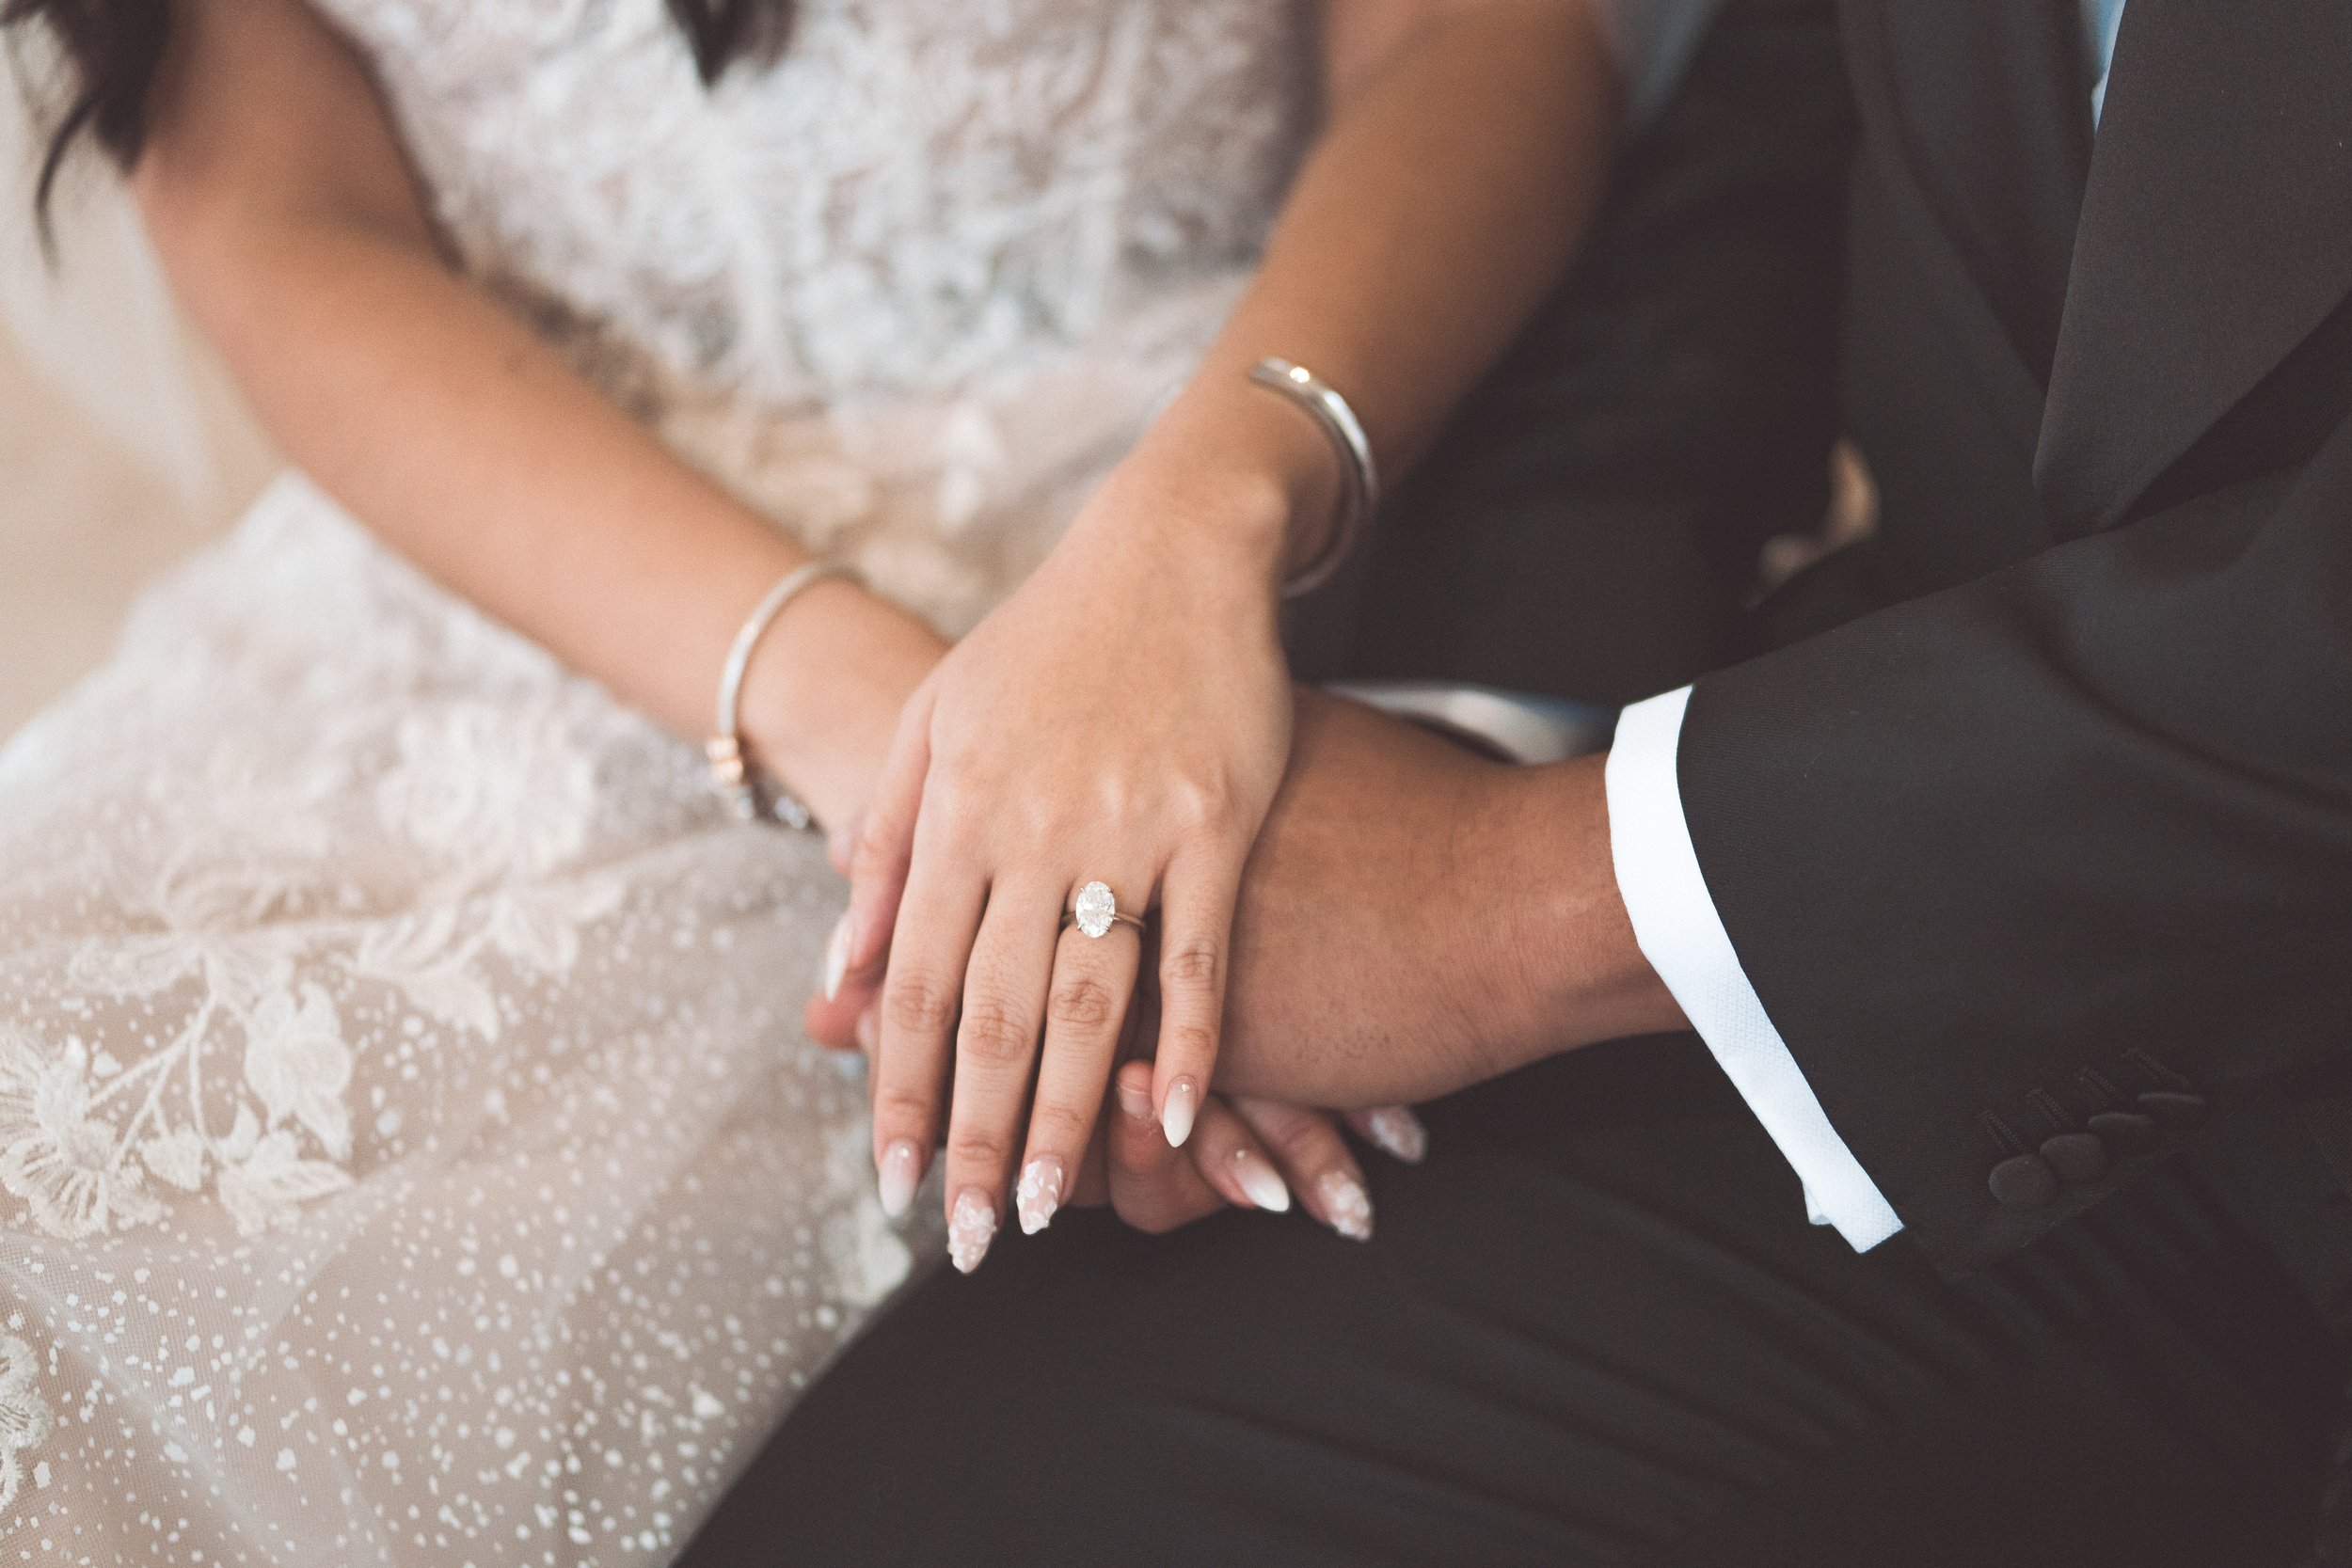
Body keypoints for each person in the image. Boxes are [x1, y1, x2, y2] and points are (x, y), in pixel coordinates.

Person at [0, 0, 1672, 1560]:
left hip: (1192, 505)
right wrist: (909, 763)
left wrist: (1209, 518)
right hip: (503, 562)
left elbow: (1479, 40)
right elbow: (286, 218)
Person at [734, 1, 2352, 1562]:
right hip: (1904, 917)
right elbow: (1794, 105)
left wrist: (1504, 897)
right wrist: (1421, 753)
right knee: (949, 1501)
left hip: (2176, 973)